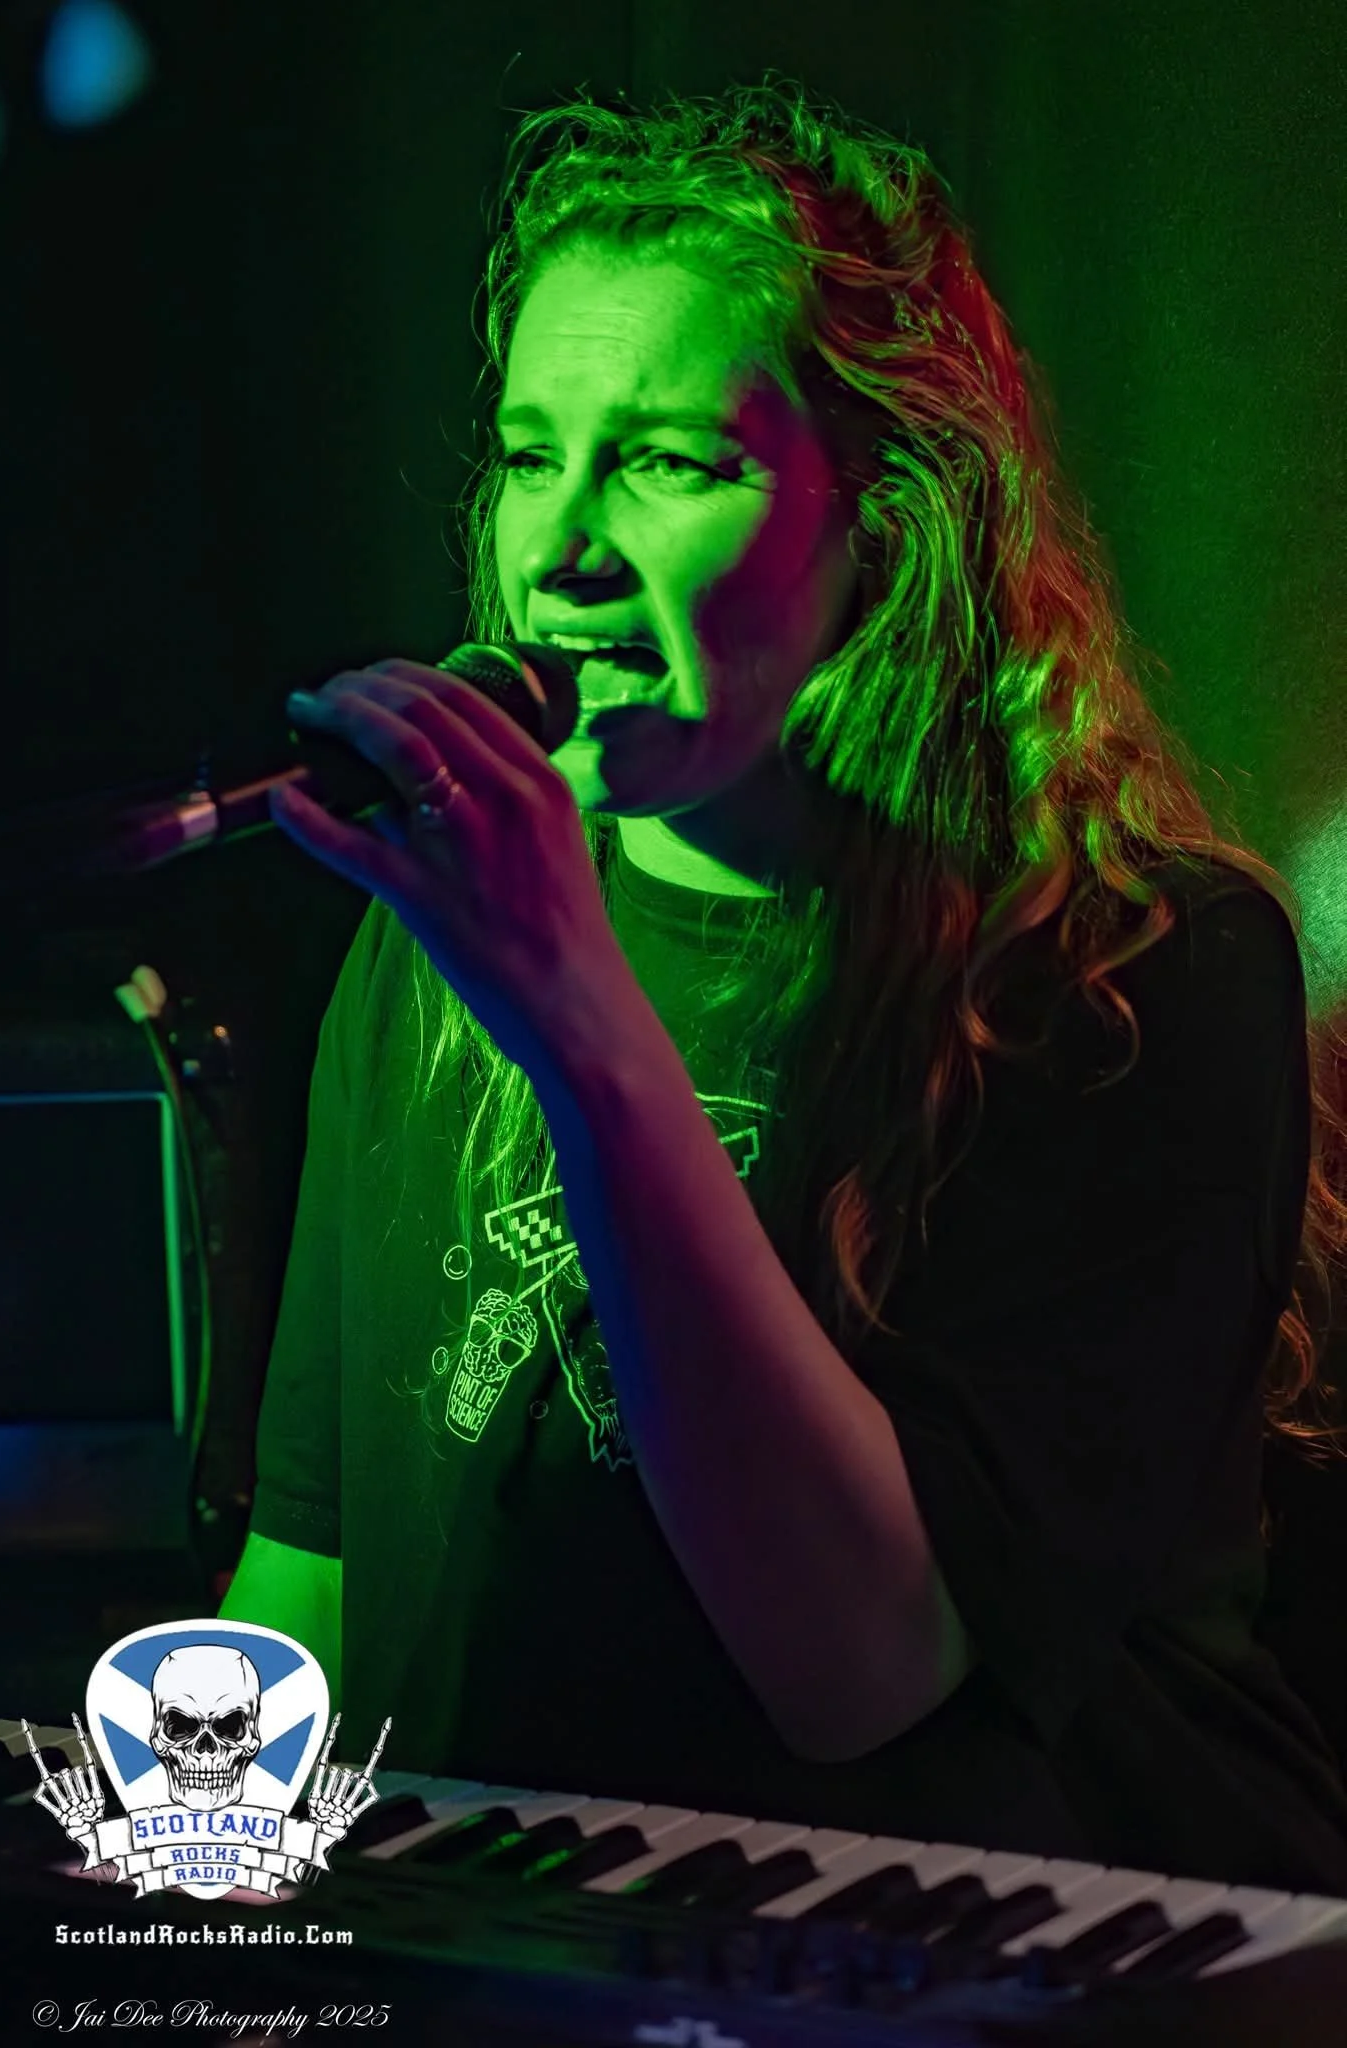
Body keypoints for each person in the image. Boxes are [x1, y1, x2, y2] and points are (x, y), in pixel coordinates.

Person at [220, 76, 1347, 1896]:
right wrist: (170, 1932)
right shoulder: (433, 930)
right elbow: (321, 1573)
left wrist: (579, 1025)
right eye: (526, 451)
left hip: (985, 1958)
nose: (557, 547)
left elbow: (856, 1672)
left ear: (878, 526)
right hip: (513, 1954)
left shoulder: (1140, 969)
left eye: (667, 461)